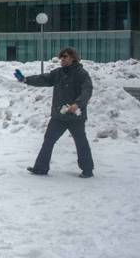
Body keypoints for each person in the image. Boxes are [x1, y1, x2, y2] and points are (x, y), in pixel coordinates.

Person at [15, 47, 95, 178]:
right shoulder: (58, 73)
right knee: (48, 141)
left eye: (65, 56)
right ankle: (41, 168)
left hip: (76, 117)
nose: (62, 59)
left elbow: (87, 90)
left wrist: (77, 104)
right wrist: (26, 80)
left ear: (73, 58)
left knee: (81, 142)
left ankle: (87, 170)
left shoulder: (81, 74)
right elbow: (44, 79)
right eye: (61, 57)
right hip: (59, 116)